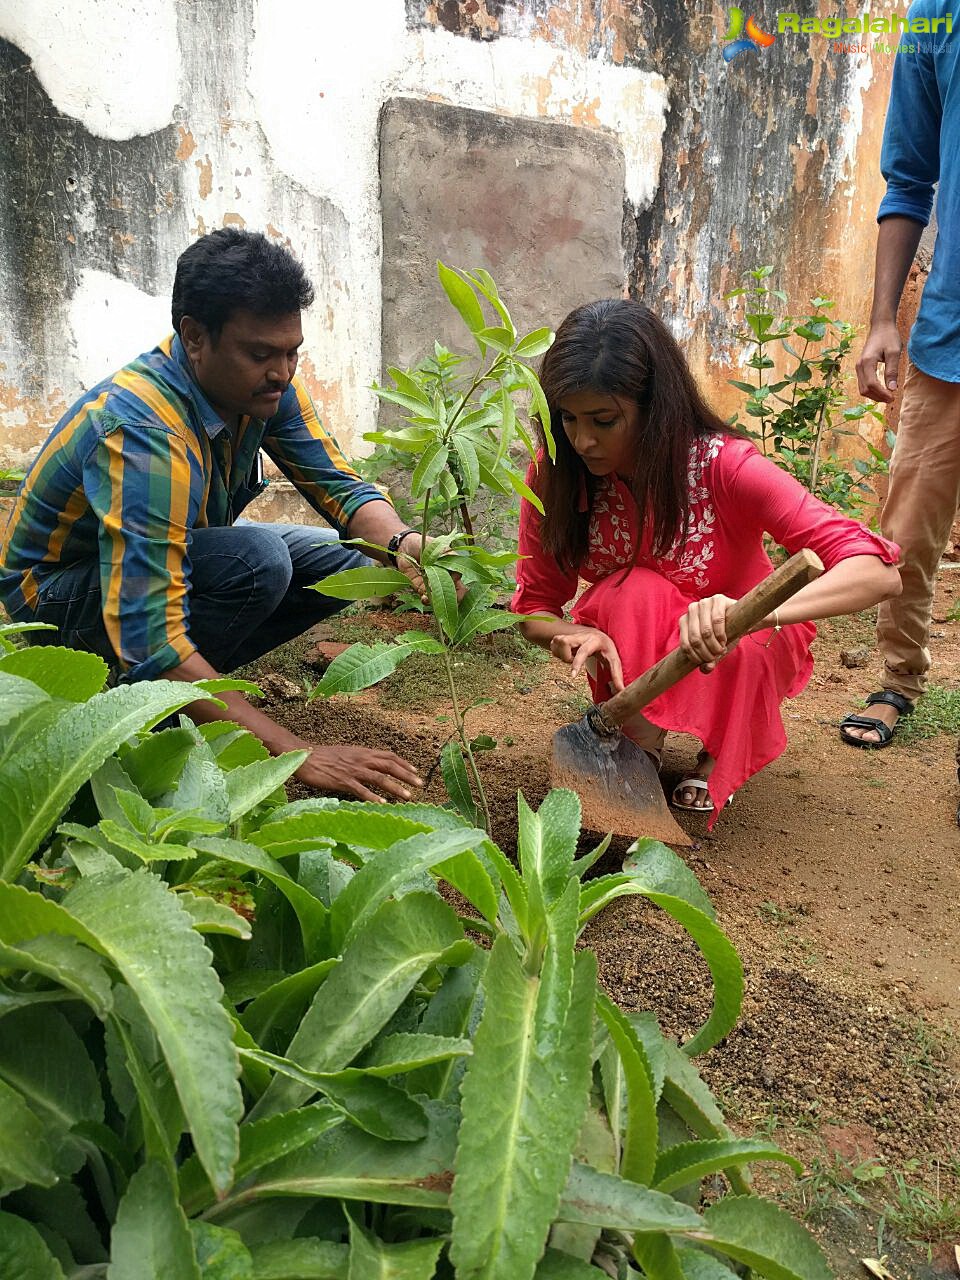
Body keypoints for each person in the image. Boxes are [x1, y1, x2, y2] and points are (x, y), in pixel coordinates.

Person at [0, 228, 424, 804]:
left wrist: (401, 544)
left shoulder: (262, 391)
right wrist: (297, 753)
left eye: (292, 351)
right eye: (260, 353)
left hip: (148, 570)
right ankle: (144, 709)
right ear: (195, 337)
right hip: (55, 601)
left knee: (345, 562)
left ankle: (198, 686)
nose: (283, 371)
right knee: (259, 562)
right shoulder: (146, 432)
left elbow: (340, 488)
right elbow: (150, 635)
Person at [511, 299, 902, 823]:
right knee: (628, 590)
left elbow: (877, 571)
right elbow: (533, 607)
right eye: (568, 418)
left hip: (753, 635)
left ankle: (720, 753)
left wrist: (748, 613)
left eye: (604, 421)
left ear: (654, 408)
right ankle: (638, 743)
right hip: (647, 630)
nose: (582, 440)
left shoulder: (724, 466)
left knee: (742, 639)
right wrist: (571, 633)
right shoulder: (557, 476)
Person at [839, 3, 960, 766]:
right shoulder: (936, 16)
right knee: (907, 533)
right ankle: (899, 680)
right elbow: (909, 177)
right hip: (952, 338)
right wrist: (883, 317)